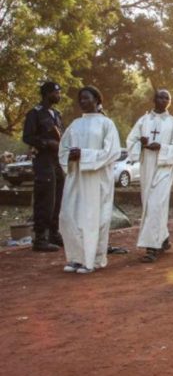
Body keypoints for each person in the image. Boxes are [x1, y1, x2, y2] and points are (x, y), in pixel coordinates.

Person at [58, 87, 121, 274]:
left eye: (86, 98)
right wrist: (70, 156)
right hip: (76, 177)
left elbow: (112, 152)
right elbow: (63, 149)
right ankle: (76, 258)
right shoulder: (75, 124)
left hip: (96, 179)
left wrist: (84, 154)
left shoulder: (106, 124)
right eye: (80, 99)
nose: (82, 101)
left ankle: (93, 259)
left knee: (94, 218)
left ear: (97, 100)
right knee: (69, 216)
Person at [126, 89, 173, 262]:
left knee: (155, 203)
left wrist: (161, 148)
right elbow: (131, 140)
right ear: (154, 99)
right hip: (147, 166)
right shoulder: (143, 120)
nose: (163, 99)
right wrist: (141, 144)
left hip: (165, 167)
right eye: (160, 96)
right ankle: (164, 238)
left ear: (170, 101)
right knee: (150, 203)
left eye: (166, 97)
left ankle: (151, 248)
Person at [22, 81, 65, 252]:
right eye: (57, 92)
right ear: (48, 94)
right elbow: (28, 137)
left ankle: (54, 233)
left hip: (56, 161)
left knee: (58, 197)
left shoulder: (56, 114)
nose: (59, 95)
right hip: (43, 160)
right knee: (45, 199)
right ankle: (40, 238)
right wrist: (47, 143)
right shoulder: (35, 114)